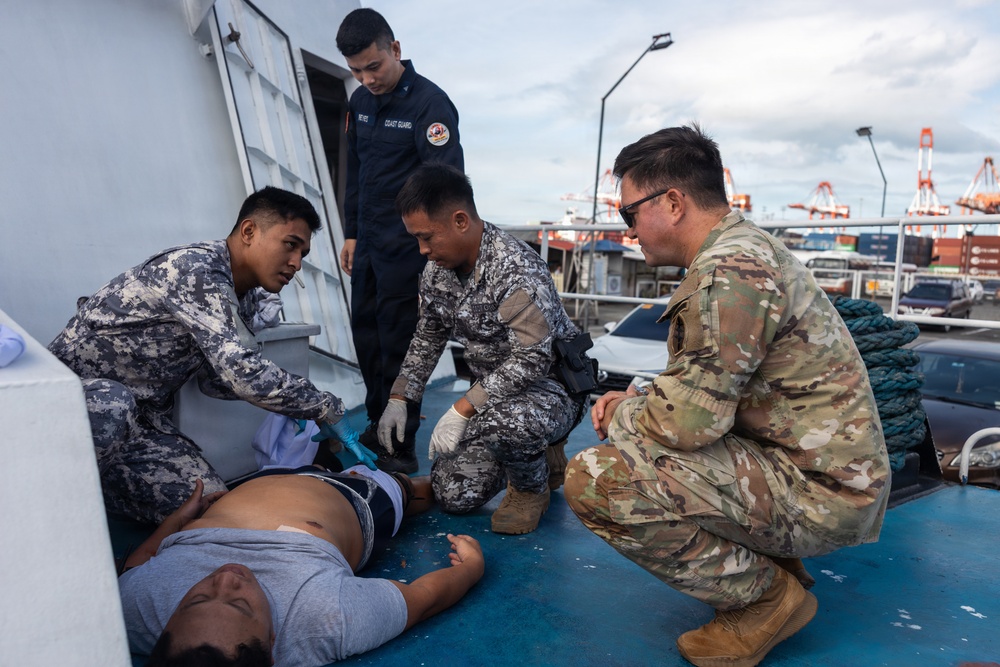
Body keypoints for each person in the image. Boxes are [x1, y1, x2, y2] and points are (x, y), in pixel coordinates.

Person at [563, 125, 891, 666]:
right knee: (644, 432)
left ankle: (764, 600)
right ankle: (776, 564)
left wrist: (625, 410)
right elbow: (714, 390)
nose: (628, 231)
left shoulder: (729, 271)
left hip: (824, 494)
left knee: (597, 478)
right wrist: (644, 402)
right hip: (816, 470)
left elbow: (685, 426)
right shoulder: (741, 250)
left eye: (628, 214)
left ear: (672, 203)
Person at [48, 186, 375, 524]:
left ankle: (97, 484)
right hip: (76, 404)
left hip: (140, 422)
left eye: (303, 254)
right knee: (114, 403)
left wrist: (289, 407)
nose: (296, 263)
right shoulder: (197, 270)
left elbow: (216, 380)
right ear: (249, 231)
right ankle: (49, 507)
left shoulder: (243, 296)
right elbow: (241, 372)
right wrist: (323, 407)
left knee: (208, 501)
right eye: (290, 245)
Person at [379, 164, 590, 535]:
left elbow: (533, 358)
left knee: (510, 424)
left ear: (461, 220)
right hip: (492, 397)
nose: (423, 250)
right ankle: (538, 457)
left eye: (427, 237)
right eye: (416, 239)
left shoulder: (514, 269)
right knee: (454, 493)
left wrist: (463, 407)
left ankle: (530, 489)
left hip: (552, 389)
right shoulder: (436, 272)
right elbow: (428, 337)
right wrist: (401, 397)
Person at [118, 467, 484, 666]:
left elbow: (137, 566)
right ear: (273, 642)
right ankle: (412, 484)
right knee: (413, 488)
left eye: (195, 599)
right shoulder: (324, 620)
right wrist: (471, 569)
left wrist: (178, 519)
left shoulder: (137, 614)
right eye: (239, 603)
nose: (225, 578)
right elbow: (423, 599)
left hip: (249, 480)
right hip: (348, 494)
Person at [336, 8, 464, 474]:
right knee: (366, 336)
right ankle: (377, 424)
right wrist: (351, 233)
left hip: (409, 250)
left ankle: (400, 444)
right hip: (368, 244)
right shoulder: (359, 105)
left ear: (395, 50)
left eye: (374, 66)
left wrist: (436, 256)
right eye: (356, 71)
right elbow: (356, 175)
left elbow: (447, 185)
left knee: (399, 342)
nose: (366, 78)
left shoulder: (431, 106)